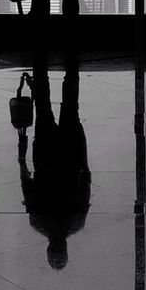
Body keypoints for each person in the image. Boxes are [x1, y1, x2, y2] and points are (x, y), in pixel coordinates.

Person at [17, 50, 91, 270]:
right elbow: (27, 183)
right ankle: (41, 64)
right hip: (45, 155)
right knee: (43, 107)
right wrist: (21, 156)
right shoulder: (38, 222)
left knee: (69, 105)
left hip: (69, 154)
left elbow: (85, 177)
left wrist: (81, 143)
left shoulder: (75, 222)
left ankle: (70, 64)